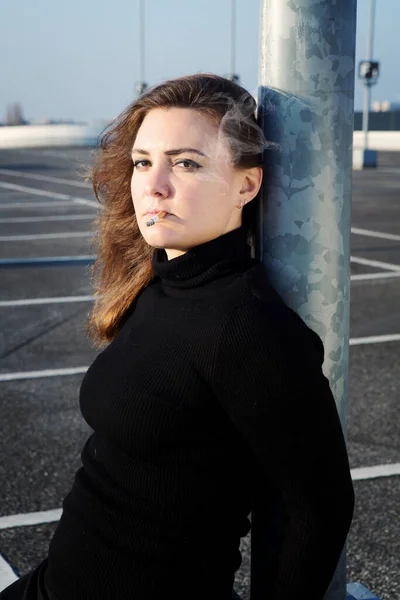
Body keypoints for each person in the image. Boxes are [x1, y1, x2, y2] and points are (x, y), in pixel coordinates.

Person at [0, 73, 354, 600]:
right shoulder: (157, 285)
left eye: (186, 163)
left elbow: (319, 505)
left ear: (246, 185)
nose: (153, 184)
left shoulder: (245, 324)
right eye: (144, 161)